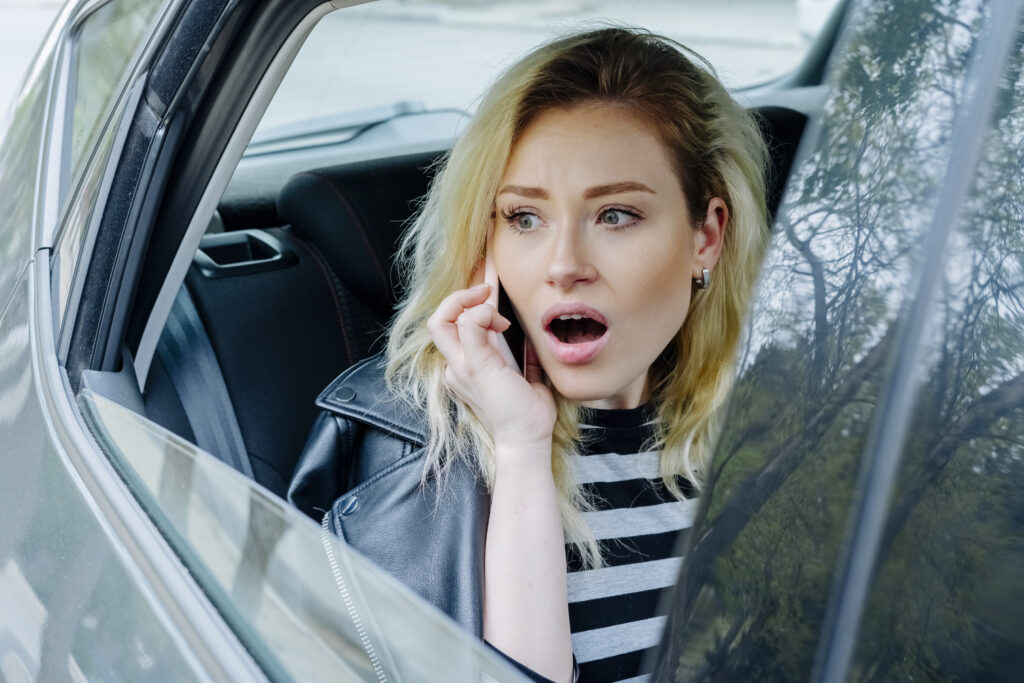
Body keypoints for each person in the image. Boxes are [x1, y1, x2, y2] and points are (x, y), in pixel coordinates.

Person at [288, 27, 769, 683]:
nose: (564, 265)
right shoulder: (421, 462)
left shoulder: (772, 429)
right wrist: (520, 447)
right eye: (525, 218)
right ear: (485, 243)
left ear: (706, 236)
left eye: (616, 215)